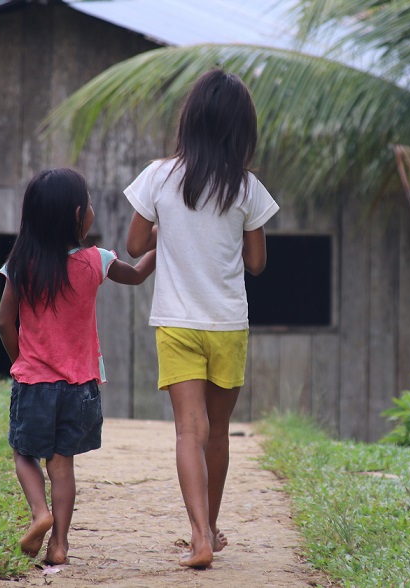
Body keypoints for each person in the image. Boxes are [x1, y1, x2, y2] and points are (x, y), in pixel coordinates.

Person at [124, 68, 279, 569]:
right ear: (243, 130)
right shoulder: (248, 188)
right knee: (218, 432)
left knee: (188, 431)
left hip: (177, 322)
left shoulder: (159, 176)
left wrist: (168, 232)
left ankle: (198, 537)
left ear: (189, 121)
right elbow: (256, 263)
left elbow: (132, 244)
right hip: (228, 324)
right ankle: (211, 525)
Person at [0, 167, 156, 565]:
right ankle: (60, 545)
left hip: (34, 383)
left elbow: (3, 321)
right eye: (91, 205)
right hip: (80, 387)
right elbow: (137, 275)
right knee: (62, 465)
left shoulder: (21, 264)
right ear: (77, 214)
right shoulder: (96, 261)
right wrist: (163, 243)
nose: (95, 212)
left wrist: (22, 362)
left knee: (23, 453)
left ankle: (39, 513)